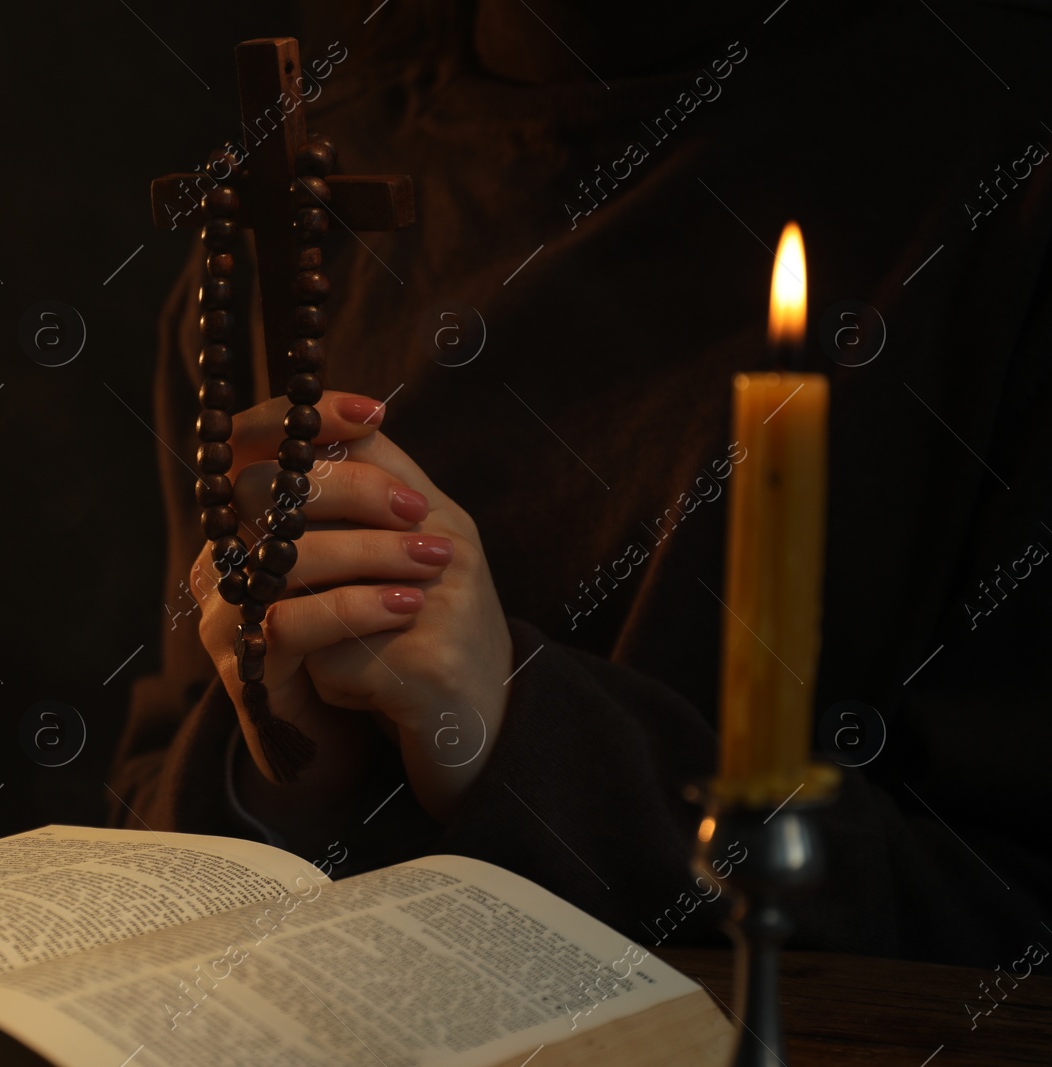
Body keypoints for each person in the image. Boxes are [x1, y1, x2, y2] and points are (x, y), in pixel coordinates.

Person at [111, 0, 1052, 966]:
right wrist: (285, 769)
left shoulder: (1000, 182)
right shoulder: (287, 204)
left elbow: (1010, 908)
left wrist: (521, 729)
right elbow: (154, 786)